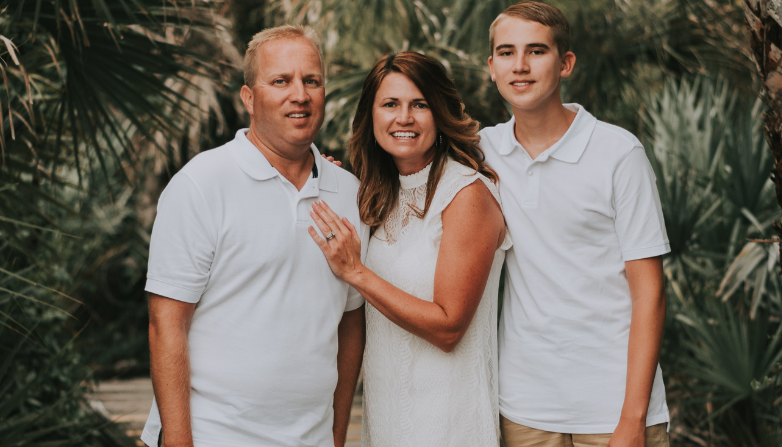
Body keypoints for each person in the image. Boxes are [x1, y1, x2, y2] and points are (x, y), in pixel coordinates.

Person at [141, 25, 367, 447]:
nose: (299, 94)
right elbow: (165, 323)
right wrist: (177, 441)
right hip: (213, 435)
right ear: (249, 97)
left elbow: (351, 324)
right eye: (280, 81)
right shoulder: (201, 184)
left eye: (311, 81)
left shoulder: (350, 193)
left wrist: (336, 436)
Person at [481, 1, 671, 447]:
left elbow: (651, 292)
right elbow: (407, 164)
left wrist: (632, 418)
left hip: (613, 408)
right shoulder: (481, 150)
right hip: (524, 408)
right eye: (506, 53)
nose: (520, 66)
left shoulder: (618, 154)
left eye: (536, 51)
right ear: (491, 67)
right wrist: (323, 168)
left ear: (565, 63)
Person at [307, 52, 510, 446]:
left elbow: (449, 326)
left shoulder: (465, 194)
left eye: (420, 104)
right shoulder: (376, 196)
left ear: (440, 113)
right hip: (387, 421)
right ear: (372, 116)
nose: (404, 118)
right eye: (390, 104)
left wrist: (356, 273)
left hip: (449, 424)